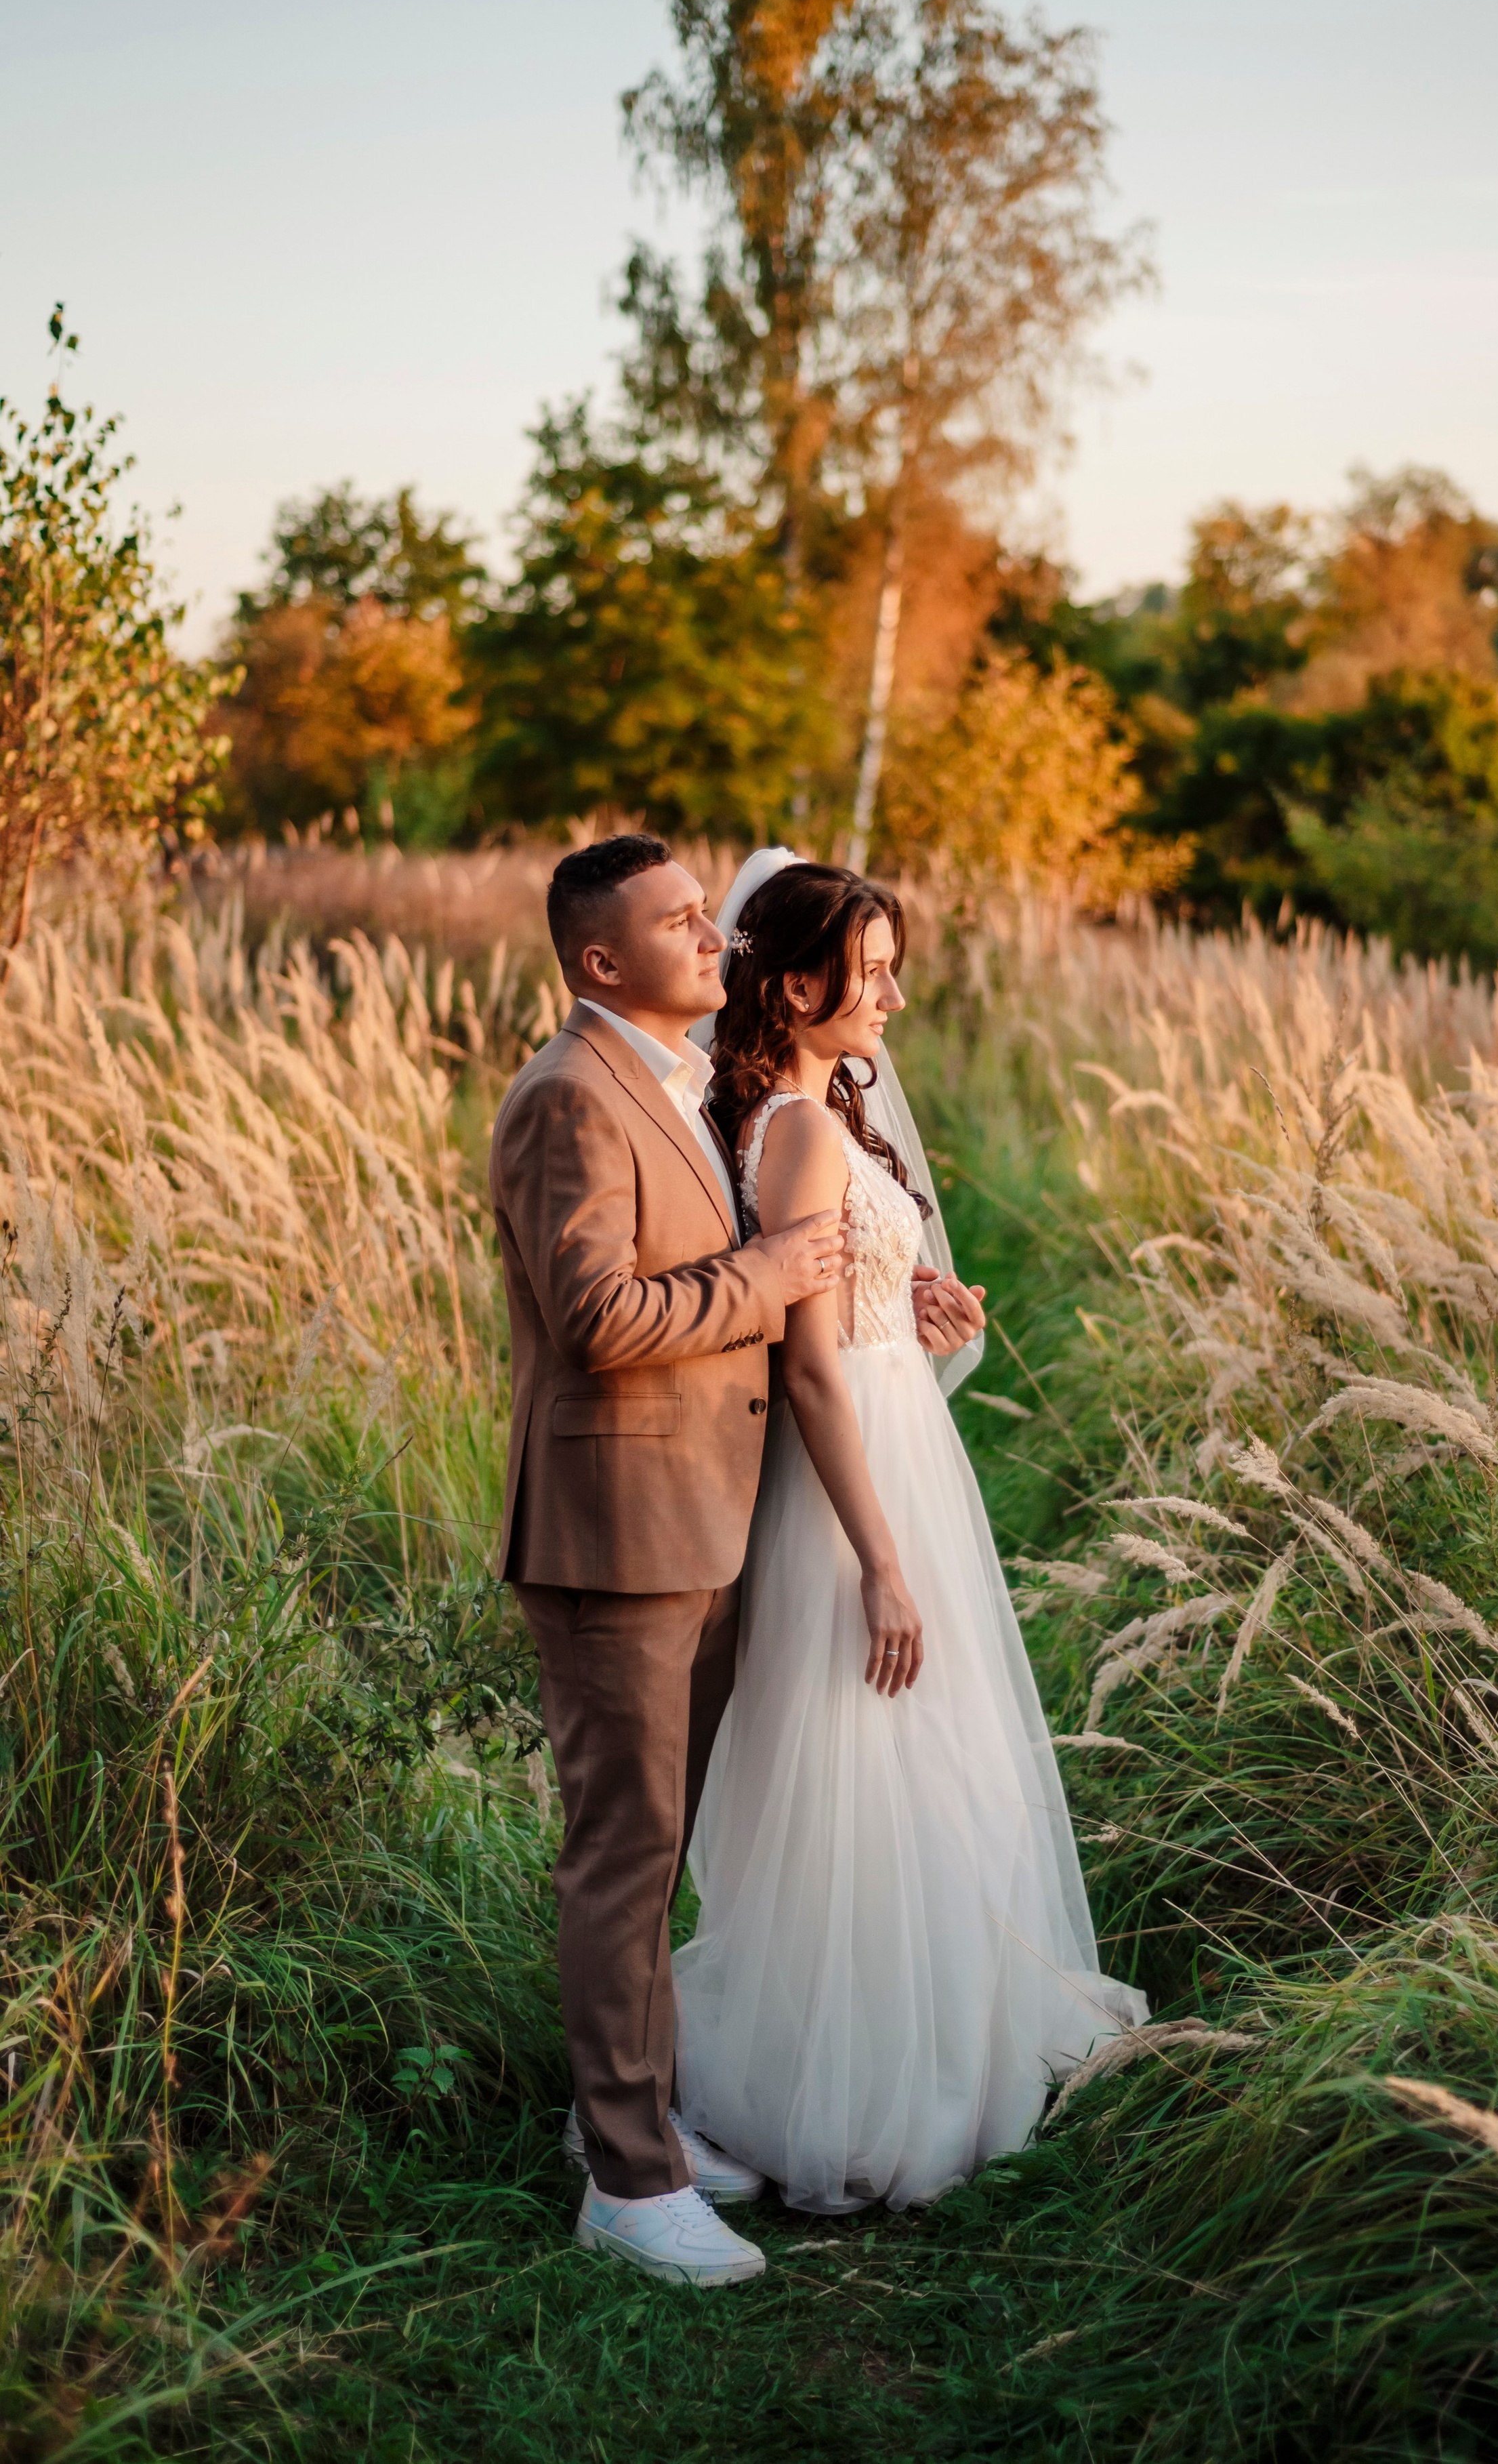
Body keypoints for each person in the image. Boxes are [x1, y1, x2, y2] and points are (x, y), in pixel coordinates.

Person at [489, 835, 987, 2289]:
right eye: (677, 921)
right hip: (616, 1532)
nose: (713, 936)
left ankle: (636, 2117)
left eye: (708, 914)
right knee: (624, 1856)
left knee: (661, 1853)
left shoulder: (681, 1089)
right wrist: (773, 1281)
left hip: (704, 1514)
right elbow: (595, 1316)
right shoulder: (566, 1097)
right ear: (599, 961)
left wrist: (879, 1290)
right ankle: (629, 2185)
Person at [673, 859, 1146, 2217]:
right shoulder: (801, 1131)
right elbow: (811, 1369)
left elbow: (856, 1326)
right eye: (869, 967)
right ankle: (867, 2071)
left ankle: (922, 2029)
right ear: (800, 981)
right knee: (870, 1748)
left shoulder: (812, 1116)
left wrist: (921, 1313)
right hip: (849, 1487)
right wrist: (878, 1560)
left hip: (890, 1451)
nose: (893, 992)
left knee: (915, 1751)